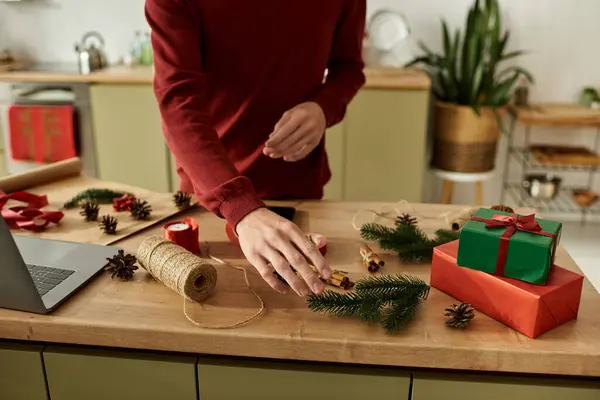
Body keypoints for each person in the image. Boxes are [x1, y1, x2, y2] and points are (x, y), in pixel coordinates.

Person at [145, 0, 366, 297]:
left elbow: (348, 68)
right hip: (210, 193)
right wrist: (237, 203)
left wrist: (323, 108)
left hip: (298, 187)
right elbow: (177, 103)